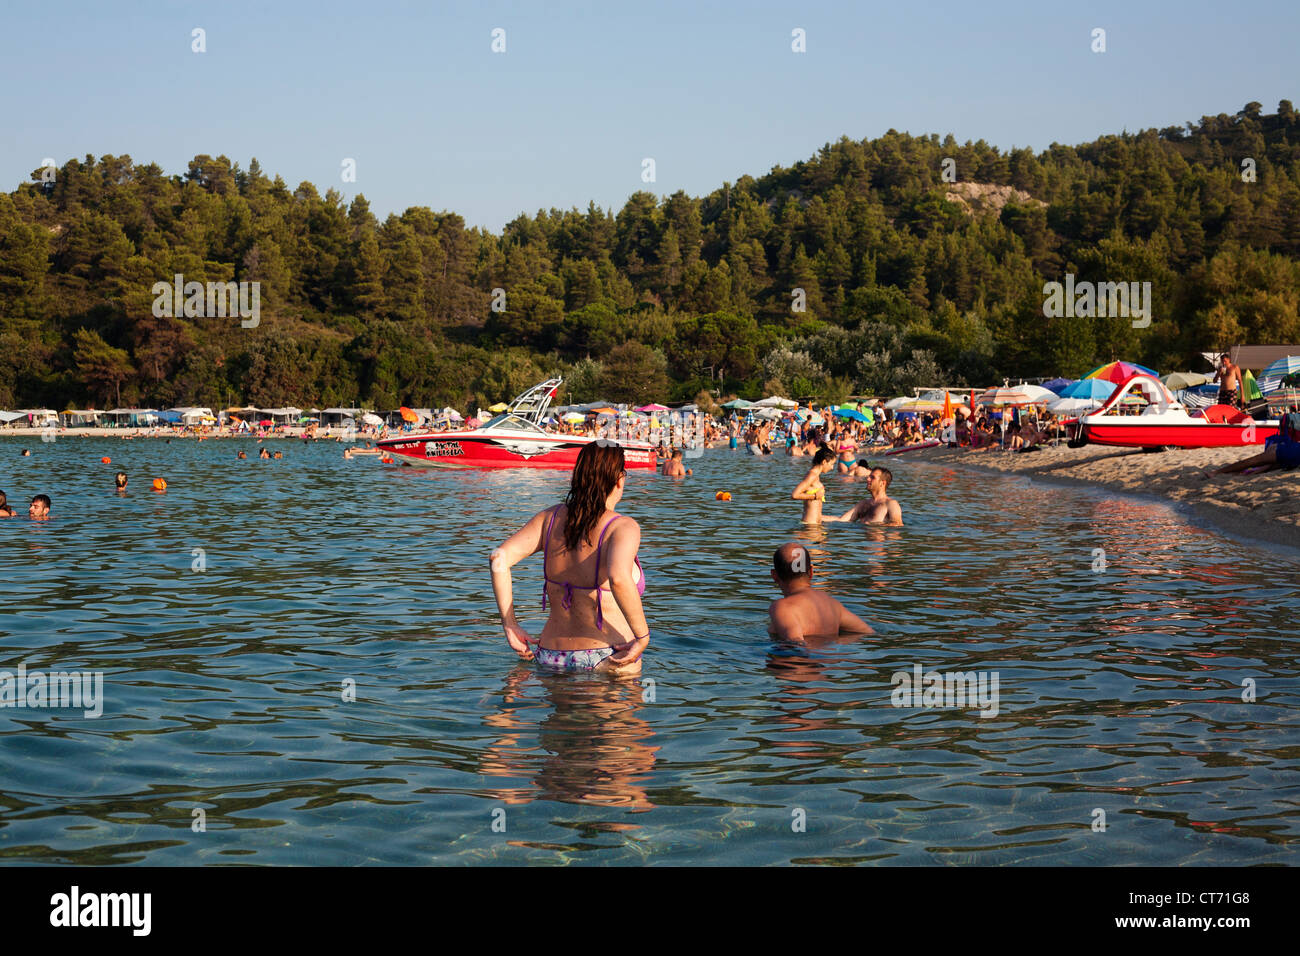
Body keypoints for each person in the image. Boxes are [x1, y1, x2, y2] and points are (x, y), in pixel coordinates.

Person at [490, 442, 649, 676]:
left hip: (550, 657)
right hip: (608, 657)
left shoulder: (550, 518)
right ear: (619, 479)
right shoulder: (623, 527)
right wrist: (643, 636)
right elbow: (618, 578)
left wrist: (510, 624)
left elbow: (498, 558)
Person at [767, 543, 874, 641]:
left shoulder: (783, 607)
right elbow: (867, 632)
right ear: (811, 571)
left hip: (801, 660)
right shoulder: (832, 604)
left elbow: (795, 646)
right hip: (828, 660)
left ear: (774, 575)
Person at [1207, 411, 1300, 476]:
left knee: (1255, 463)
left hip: (1285, 450)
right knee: (1253, 462)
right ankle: (1217, 472)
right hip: (1283, 451)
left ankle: (1222, 472)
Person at [830, 467, 904, 526]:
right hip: (861, 542)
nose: (868, 479)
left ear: (882, 483)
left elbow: (898, 524)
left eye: (872, 477)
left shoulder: (891, 504)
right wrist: (819, 516)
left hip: (879, 543)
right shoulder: (862, 504)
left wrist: (875, 526)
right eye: (869, 477)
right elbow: (841, 520)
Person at [792, 446, 836, 524]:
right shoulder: (812, 475)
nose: (832, 468)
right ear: (824, 462)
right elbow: (794, 495)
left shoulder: (816, 475)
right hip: (810, 526)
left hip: (815, 526)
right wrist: (814, 496)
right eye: (832, 464)